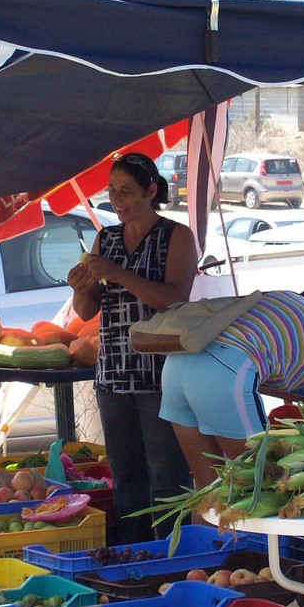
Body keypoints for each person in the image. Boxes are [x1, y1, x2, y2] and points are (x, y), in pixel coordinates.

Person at [67, 152, 198, 544]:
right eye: (111, 191)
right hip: (113, 376)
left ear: (151, 191)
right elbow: (89, 309)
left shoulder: (176, 236)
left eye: (126, 191)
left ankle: (172, 558)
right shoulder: (106, 238)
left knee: (166, 479)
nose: (117, 200)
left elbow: (174, 299)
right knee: (126, 480)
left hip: (162, 377)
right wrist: (81, 288)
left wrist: (118, 273)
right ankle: (135, 559)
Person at [160, 291, 304, 487]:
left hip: (176, 366)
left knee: (208, 490)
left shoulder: (301, 306)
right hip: (221, 373)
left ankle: (203, 536)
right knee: (266, 484)